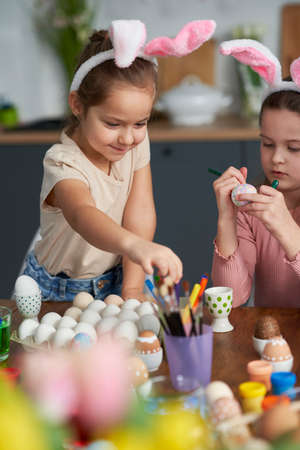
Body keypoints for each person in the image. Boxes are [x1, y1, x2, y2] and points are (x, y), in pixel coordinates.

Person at [23, 19, 216, 301]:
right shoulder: (62, 161)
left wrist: (132, 288)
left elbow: (140, 213)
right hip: (58, 291)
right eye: (113, 124)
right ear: (77, 105)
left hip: (119, 277)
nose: (127, 138)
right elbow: (83, 215)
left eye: (140, 123)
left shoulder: (133, 144)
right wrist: (135, 246)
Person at [211, 39, 300, 307]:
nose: (276, 158)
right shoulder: (253, 211)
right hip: (270, 342)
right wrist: (227, 218)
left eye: (294, 148)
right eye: (267, 144)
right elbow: (233, 300)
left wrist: (285, 228)